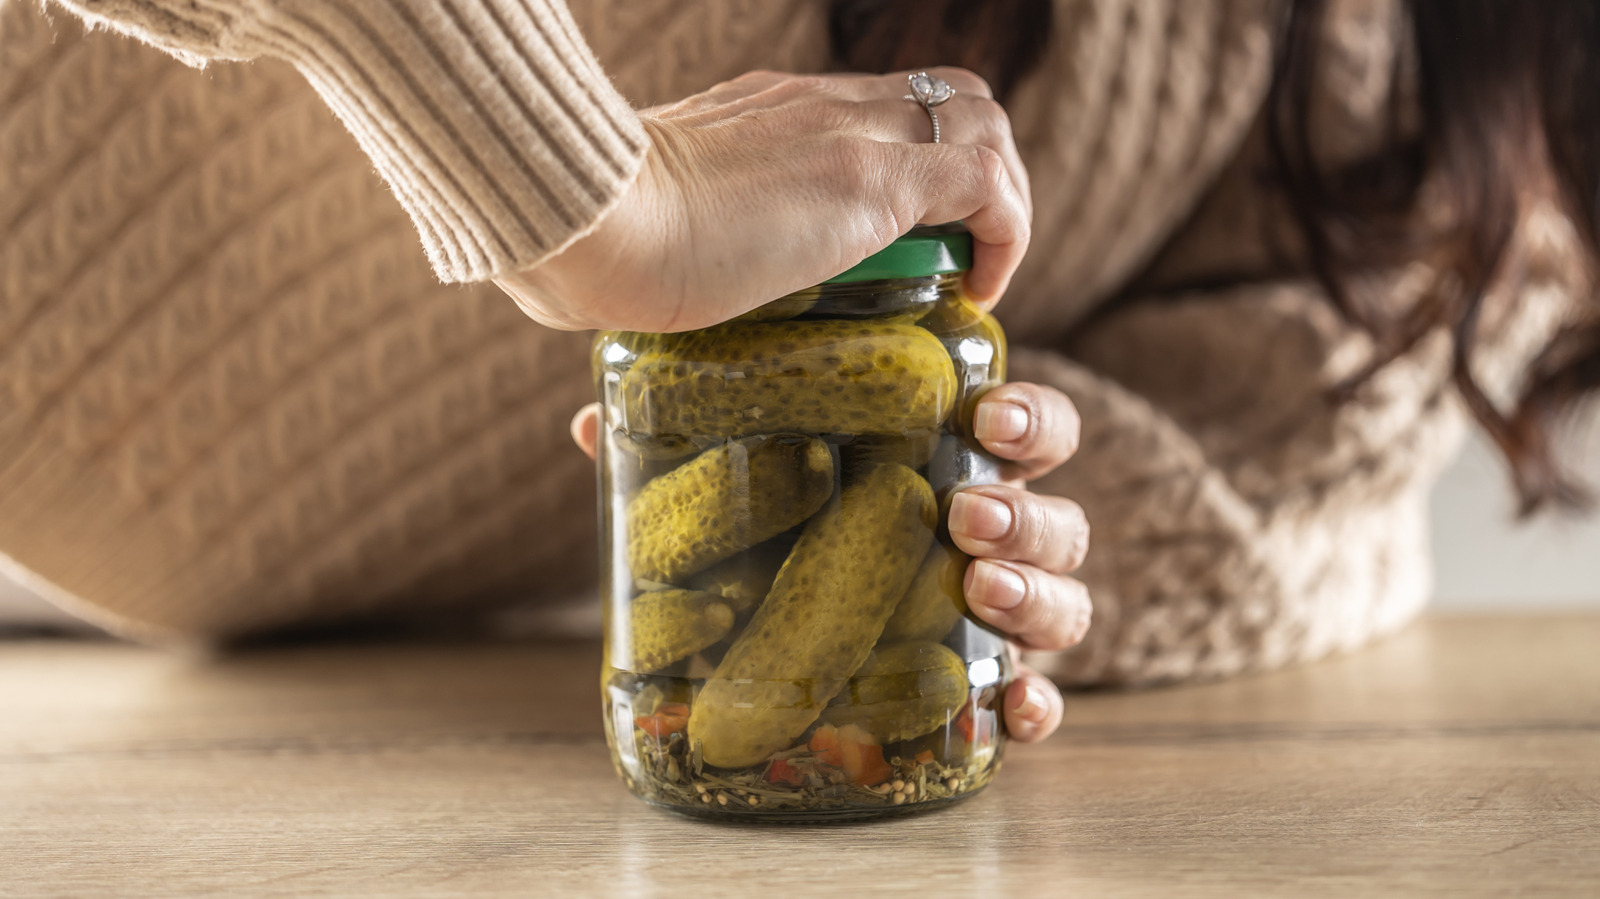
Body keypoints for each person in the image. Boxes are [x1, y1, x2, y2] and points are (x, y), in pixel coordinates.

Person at [0, 0, 1593, 741]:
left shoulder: (1434, 107)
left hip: (157, 647)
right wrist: (583, 195)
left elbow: (1313, 480)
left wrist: (994, 509)